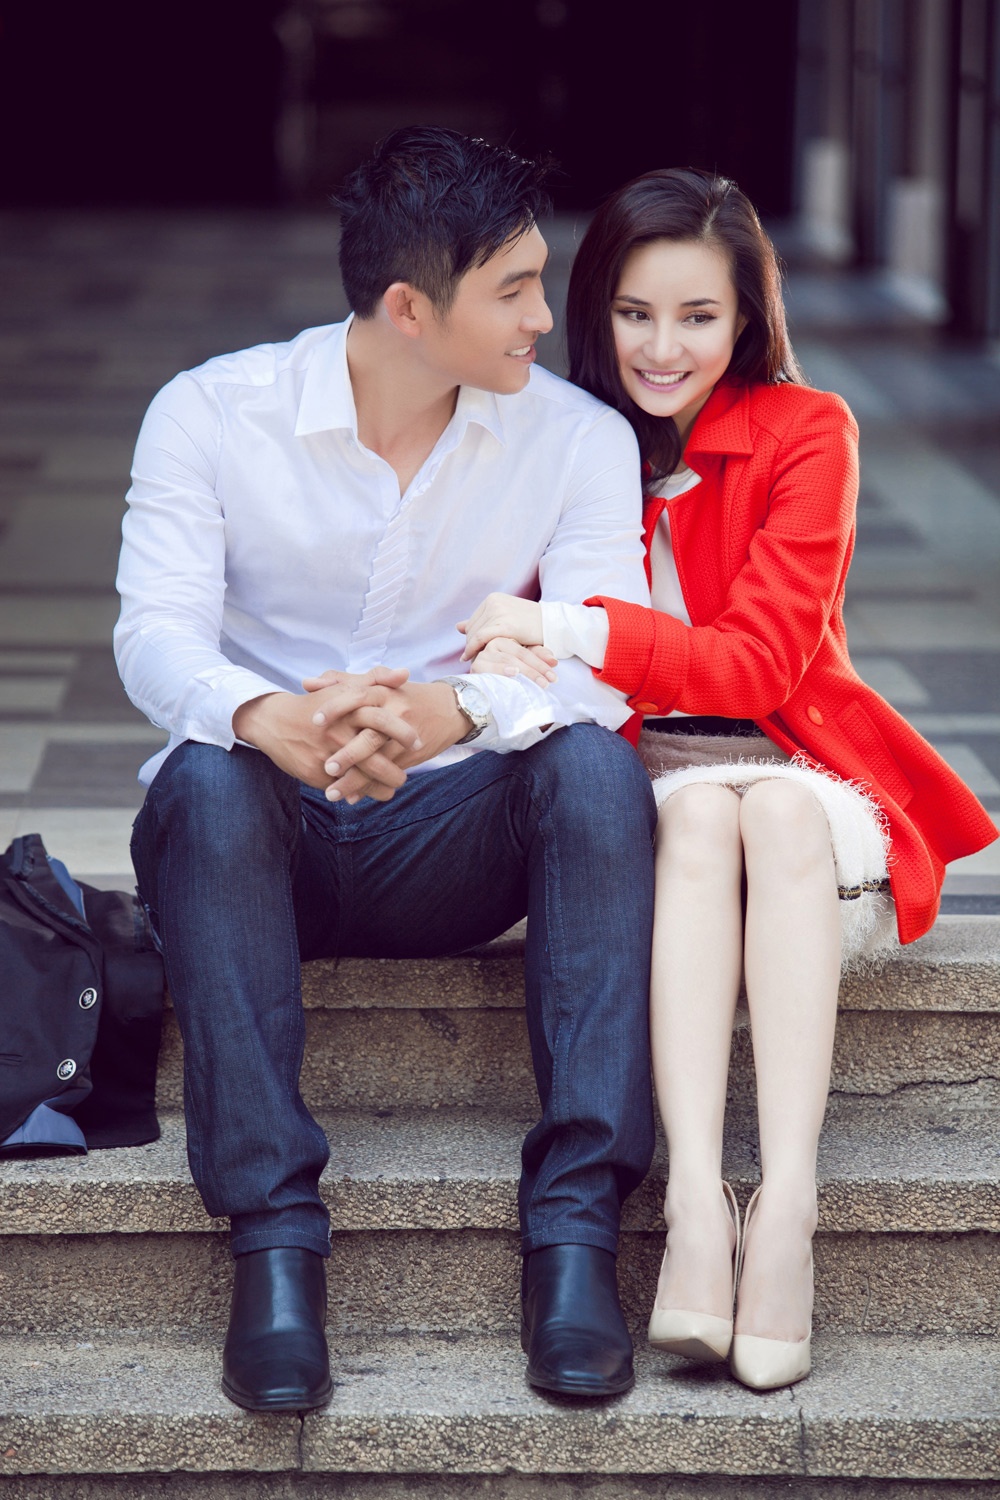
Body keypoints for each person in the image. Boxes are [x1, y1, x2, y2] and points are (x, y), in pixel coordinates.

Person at [115, 128, 661, 1411]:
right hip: (262, 842)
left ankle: (575, 1238)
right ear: (411, 308)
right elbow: (155, 635)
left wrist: (448, 710)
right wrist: (270, 717)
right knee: (204, 780)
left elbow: (603, 661)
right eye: (514, 290)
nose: (545, 317)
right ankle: (274, 1249)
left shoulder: (578, 439)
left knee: (593, 770)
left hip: (449, 837)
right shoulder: (211, 412)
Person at [458, 168, 999, 1392]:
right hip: (646, 789)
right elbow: (494, 633)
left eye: (697, 316)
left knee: (767, 812)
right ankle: (698, 1207)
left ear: (747, 316)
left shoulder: (808, 431)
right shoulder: (559, 437)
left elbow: (759, 662)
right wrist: (515, 646)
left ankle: (788, 1208)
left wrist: (571, 628)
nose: (662, 348)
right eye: (634, 313)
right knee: (704, 820)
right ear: (596, 310)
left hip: (800, 768)